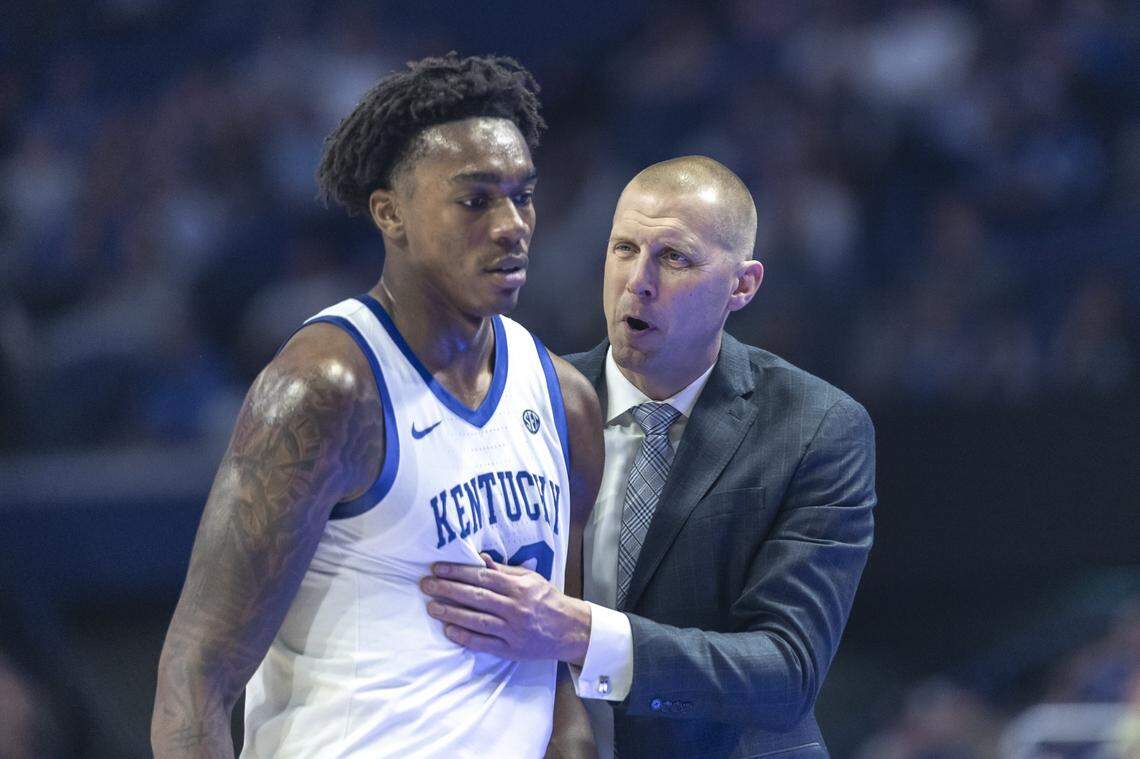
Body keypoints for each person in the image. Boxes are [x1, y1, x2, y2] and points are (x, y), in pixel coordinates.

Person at [151, 53, 603, 758]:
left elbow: (562, 677)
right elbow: (195, 678)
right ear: (390, 213)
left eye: (523, 195)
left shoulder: (565, 402)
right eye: (477, 200)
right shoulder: (326, 390)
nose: (513, 225)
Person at [421, 155, 877, 758]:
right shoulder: (520, 402)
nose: (639, 280)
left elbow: (786, 671)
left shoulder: (815, 427)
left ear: (742, 286)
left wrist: (577, 631)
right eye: (625, 248)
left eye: (675, 257)